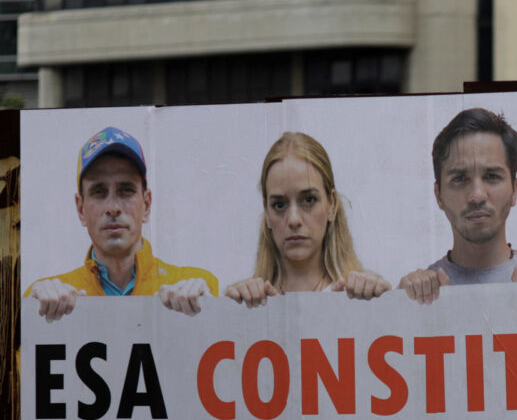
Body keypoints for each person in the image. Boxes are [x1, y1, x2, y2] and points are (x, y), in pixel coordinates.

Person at [24, 126, 218, 322]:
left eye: (126, 190)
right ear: (81, 209)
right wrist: (31, 316)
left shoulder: (197, 287)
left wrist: (210, 312)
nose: (113, 208)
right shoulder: (44, 299)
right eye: (99, 191)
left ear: (147, 204)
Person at [224, 132, 390, 306]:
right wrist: (203, 305)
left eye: (309, 200)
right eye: (279, 205)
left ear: (331, 204)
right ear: (266, 211)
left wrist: (384, 306)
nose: (294, 220)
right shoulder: (241, 303)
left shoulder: (366, 296)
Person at [399, 108, 517, 304]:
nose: (477, 195)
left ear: (514, 190)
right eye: (459, 178)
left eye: (492, 176)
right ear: (438, 195)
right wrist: (399, 304)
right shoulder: (414, 295)